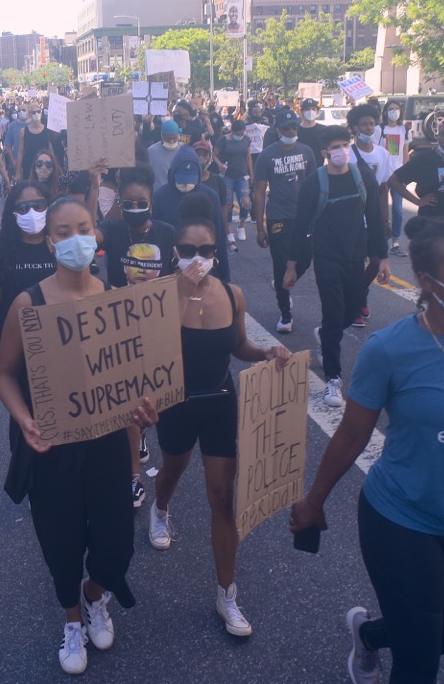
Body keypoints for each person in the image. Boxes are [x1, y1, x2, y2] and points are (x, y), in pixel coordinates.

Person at [290, 215, 444, 684]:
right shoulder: (389, 349)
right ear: (428, 281)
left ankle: (368, 633)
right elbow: (350, 436)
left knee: (441, 638)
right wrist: (313, 501)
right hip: (398, 517)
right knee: (421, 661)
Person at [0, 197, 159, 675]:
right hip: (52, 445)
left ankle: (95, 595)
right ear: (50, 243)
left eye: (83, 228)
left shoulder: (112, 298)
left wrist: (143, 412)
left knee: (116, 545)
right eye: (63, 232)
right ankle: (71, 618)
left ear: (96, 235)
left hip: (106, 441)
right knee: (61, 540)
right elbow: (6, 375)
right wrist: (24, 418)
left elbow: (130, 377)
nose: (75, 239)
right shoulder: (29, 303)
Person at [149, 202, 291, 639]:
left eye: (206, 248)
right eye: (188, 248)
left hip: (219, 400)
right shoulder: (155, 294)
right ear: (175, 250)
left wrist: (268, 353)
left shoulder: (232, 294)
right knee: (173, 467)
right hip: (175, 401)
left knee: (222, 495)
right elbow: (146, 351)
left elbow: (240, 346)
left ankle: (226, 591)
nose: (197, 256)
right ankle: (161, 506)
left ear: (216, 250)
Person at [284, 125, 390, 408]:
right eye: (335, 147)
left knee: (352, 310)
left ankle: (325, 335)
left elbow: (376, 219)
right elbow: (299, 227)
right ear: (324, 153)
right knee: (333, 314)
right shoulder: (313, 184)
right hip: (327, 257)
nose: (342, 150)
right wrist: (291, 266)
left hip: (356, 256)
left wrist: (383, 258)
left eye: (345, 144)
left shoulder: (362, 177)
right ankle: (334, 378)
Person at [94, 164, 178, 506]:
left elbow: (178, 275)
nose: (134, 207)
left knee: (149, 395)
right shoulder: (112, 230)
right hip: (120, 325)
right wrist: (94, 184)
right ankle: (133, 477)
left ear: (151, 203)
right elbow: (87, 237)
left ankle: (140, 433)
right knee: (130, 398)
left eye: (140, 201)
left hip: (157, 325)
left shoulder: (168, 233)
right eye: (127, 202)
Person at [0, 182, 57, 388]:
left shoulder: (62, 241)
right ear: (12, 212)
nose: (32, 212)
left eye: (38, 205)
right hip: (13, 344)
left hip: (58, 341)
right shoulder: (1, 246)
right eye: (23, 208)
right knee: (22, 413)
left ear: (49, 207)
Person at [253, 108, 316, 333]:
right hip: (278, 217)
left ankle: (283, 285)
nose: (291, 131)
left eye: (294, 127)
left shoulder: (307, 151)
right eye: (286, 127)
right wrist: (260, 228)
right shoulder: (266, 155)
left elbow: (314, 187)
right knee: (281, 263)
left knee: (306, 259)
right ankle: (285, 314)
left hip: (304, 217)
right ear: (277, 129)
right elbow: (259, 192)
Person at [151, 145, 231, 282]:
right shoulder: (159, 197)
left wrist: (225, 278)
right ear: (172, 174)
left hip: (203, 264)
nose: (186, 184)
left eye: (190, 179)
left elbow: (220, 236)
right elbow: (155, 237)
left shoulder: (210, 196)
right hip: (170, 268)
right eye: (182, 179)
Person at [347, 103, 393, 328]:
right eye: (363, 124)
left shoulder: (383, 154)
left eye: (372, 124)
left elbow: (383, 188)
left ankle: (360, 292)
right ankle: (355, 306)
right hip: (353, 219)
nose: (368, 128)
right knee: (356, 264)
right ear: (355, 127)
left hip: (373, 219)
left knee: (376, 262)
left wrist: (385, 219)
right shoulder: (347, 155)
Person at [375, 99, 411, 256]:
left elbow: (405, 153)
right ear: (385, 112)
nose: (394, 111)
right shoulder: (378, 129)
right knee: (380, 210)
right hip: (382, 176)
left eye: (397, 108)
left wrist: (406, 173)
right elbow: (374, 152)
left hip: (398, 176)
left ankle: (395, 242)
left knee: (398, 210)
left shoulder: (404, 130)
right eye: (391, 108)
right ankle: (380, 239)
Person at [212, 118, 254, 241]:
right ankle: (228, 229)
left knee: (245, 201)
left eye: (242, 134)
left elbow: (248, 157)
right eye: (238, 134)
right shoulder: (223, 140)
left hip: (242, 175)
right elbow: (214, 154)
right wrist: (220, 164)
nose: (240, 136)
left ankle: (241, 226)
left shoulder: (246, 139)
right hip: (228, 176)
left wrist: (251, 174)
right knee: (228, 203)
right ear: (232, 131)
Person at [193, 141, 233, 249]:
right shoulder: (188, 181)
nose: (201, 158)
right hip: (193, 230)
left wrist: (226, 233)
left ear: (210, 157)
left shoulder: (218, 180)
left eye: (205, 154)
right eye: (198, 154)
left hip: (213, 229)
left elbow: (223, 210)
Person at [16, 103, 54, 181]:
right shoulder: (23, 131)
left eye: (38, 111)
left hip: (44, 167)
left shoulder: (47, 131)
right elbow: (20, 152)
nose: (36, 114)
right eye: (33, 112)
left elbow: (51, 151)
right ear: (30, 114)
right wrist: (18, 172)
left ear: (41, 113)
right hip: (29, 166)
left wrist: (54, 167)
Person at [148, 120, 181, 191]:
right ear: (161, 135)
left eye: (174, 138)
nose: (171, 141)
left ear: (178, 135)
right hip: (157, 192)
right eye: (168, 139)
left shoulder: (184, 150)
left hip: (178, 192)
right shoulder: (152, 151)